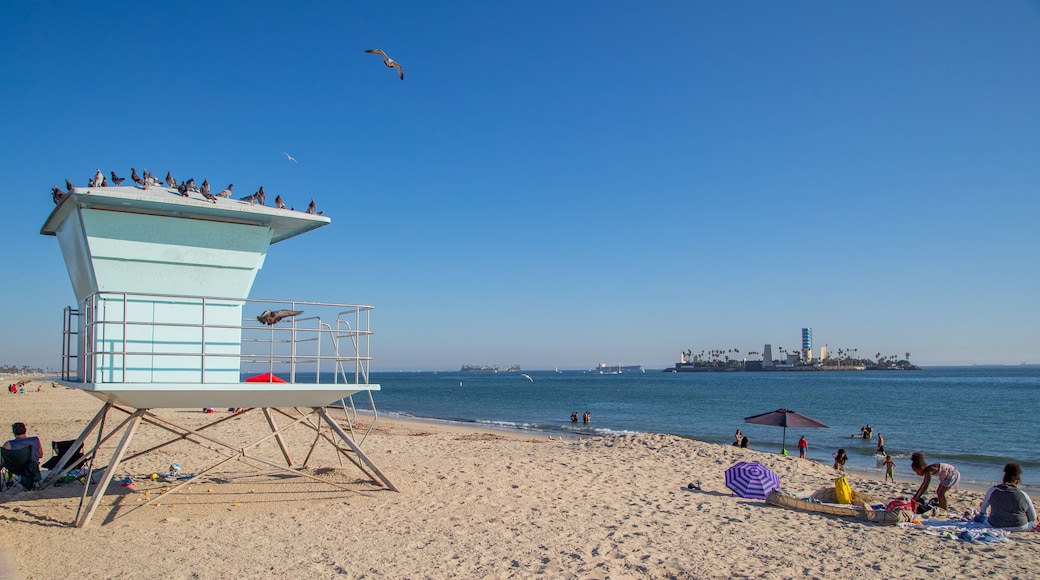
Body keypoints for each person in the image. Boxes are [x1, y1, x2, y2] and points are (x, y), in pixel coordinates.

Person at [976, 463, 1039, 532]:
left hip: (995, 524)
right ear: (1017, 481)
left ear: (1003, 479)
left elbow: (983, 510)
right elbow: (1033, 518)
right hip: (1019, 527)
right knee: (1034, 522)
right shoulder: (1023, 495)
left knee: (980, 517)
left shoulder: (992, 491)